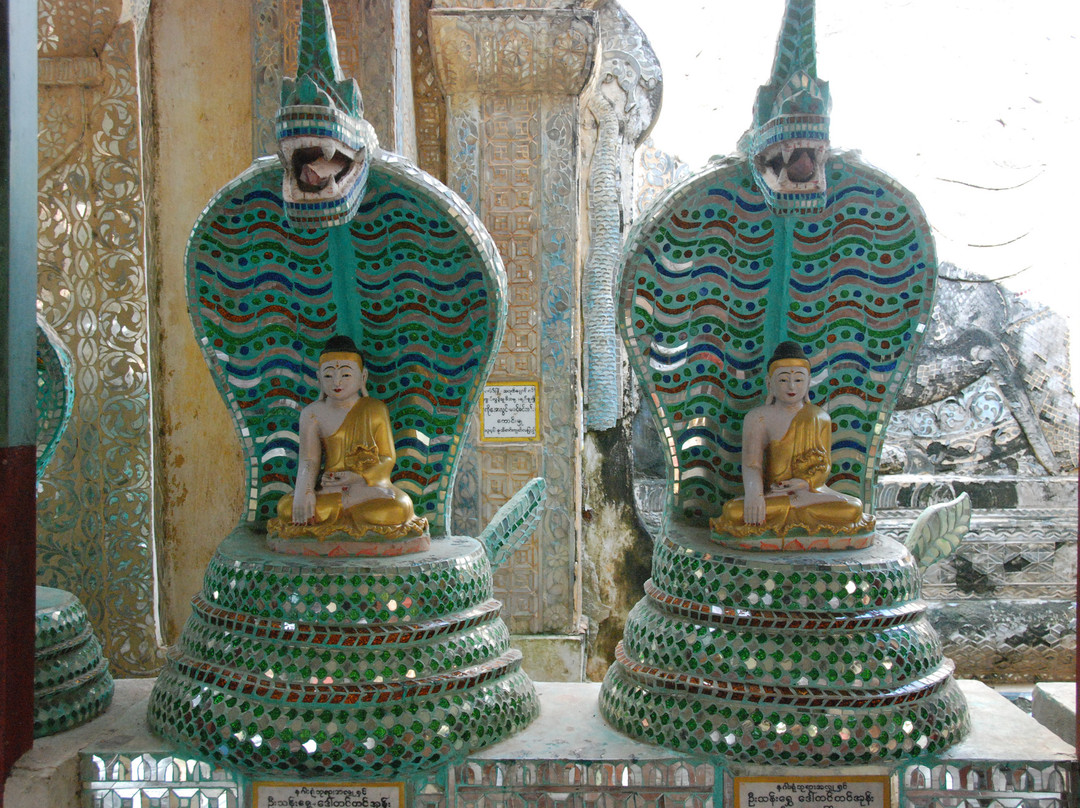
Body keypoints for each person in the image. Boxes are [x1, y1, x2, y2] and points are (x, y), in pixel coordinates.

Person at [268, 335, 428, 542]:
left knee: (399, 507)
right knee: (286, 508)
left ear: (363, 377)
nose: (337, 382)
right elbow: (309, 460)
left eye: (345, 374)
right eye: (328, 376)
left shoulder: (375, 409)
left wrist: (358, 477)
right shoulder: (312, 413)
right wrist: (304, 490)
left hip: (369, 485)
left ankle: (353, 500)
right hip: (329, 488)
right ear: (318, 378)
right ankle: (350, 503)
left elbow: (388, 458)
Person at [711, 341, 874, 542]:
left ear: (808, 383)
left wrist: (805, 483)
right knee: (733, 511)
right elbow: (751, 465)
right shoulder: (758, 417)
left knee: (853, 508)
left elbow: (824, 465)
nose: (791, 386)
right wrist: (755, 495)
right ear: (769, 383)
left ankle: (800, 505)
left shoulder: (818, 417)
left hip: (810, 493)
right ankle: (796, 508)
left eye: (798, 380)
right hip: (775, 494)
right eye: (783, 380)